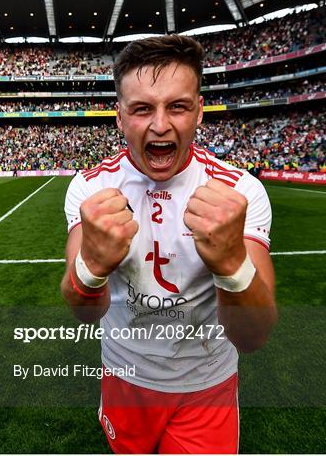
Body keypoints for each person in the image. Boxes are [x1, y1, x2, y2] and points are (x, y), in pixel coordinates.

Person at [61, 35, 277, 454]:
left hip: (206, 384)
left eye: (177, 106)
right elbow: (81, 311)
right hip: (125, 374)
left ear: (199, 111)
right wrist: (92, 267)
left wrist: (232, 265)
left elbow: (253, 338)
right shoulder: (90, 187)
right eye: (142, 108)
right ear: (120, 117)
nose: (160, 125)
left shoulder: (240, 191)